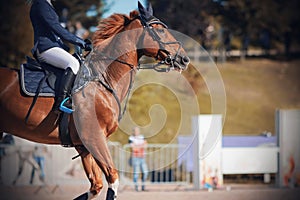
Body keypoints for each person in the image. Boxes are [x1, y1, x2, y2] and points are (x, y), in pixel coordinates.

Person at [29, 0, 90, 112]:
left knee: (77, 61)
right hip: (46, 47)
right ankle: (62, 102)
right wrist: (79, 41)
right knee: (73, 63)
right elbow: (57, 28)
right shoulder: (40, 4)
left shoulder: (46, 4)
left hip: (52, 46)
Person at [129, 127, 148, 191]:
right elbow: (133, 148)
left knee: (145, 172)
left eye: (137, 131)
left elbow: (146, 145)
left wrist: (137, 146)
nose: (136, 132)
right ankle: (136, 187)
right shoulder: (131, 138)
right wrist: (141, 146)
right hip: (135, 157)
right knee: (136, 173)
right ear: (133, 131)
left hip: (142, 157)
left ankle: (143, 187)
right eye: (135, 131)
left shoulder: (142, 137)